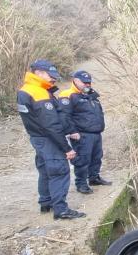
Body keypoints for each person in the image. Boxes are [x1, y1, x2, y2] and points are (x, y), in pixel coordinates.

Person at [16, 60, 86, 219]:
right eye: (50, 76)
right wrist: (66, 148)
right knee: (59, 171)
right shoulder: (39, 93)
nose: (53, 80)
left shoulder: (25, 90)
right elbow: (51, 125)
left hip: (37, 138)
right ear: (39, 73)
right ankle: (61, 209)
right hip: (48, 139)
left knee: (45, 171)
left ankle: (45, 202)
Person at [58, 70, 110, 194]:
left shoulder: (91, 95)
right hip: (81, 134)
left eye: (89, 82)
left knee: (97, 157)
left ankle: (94, 178)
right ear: (75, 81)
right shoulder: (68, 95)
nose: (87, 84)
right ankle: (81, 183)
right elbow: (64, 116)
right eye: (84, 82)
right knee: (82, 159)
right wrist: (71, 131)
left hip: (96, 133)